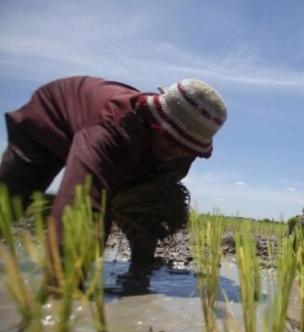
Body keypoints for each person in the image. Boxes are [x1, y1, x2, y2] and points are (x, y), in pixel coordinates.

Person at [0, 76, 227, 277]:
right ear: (154, 121)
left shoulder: (186, 145)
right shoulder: (111, 130)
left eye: (188, 147)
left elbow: (154, 191)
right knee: (11, 200)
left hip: (125, 149)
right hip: (50, 119)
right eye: (172, 139)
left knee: (147, 202)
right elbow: (84, 202)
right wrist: (67, 290)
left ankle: (142, 266)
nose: (179, 151)